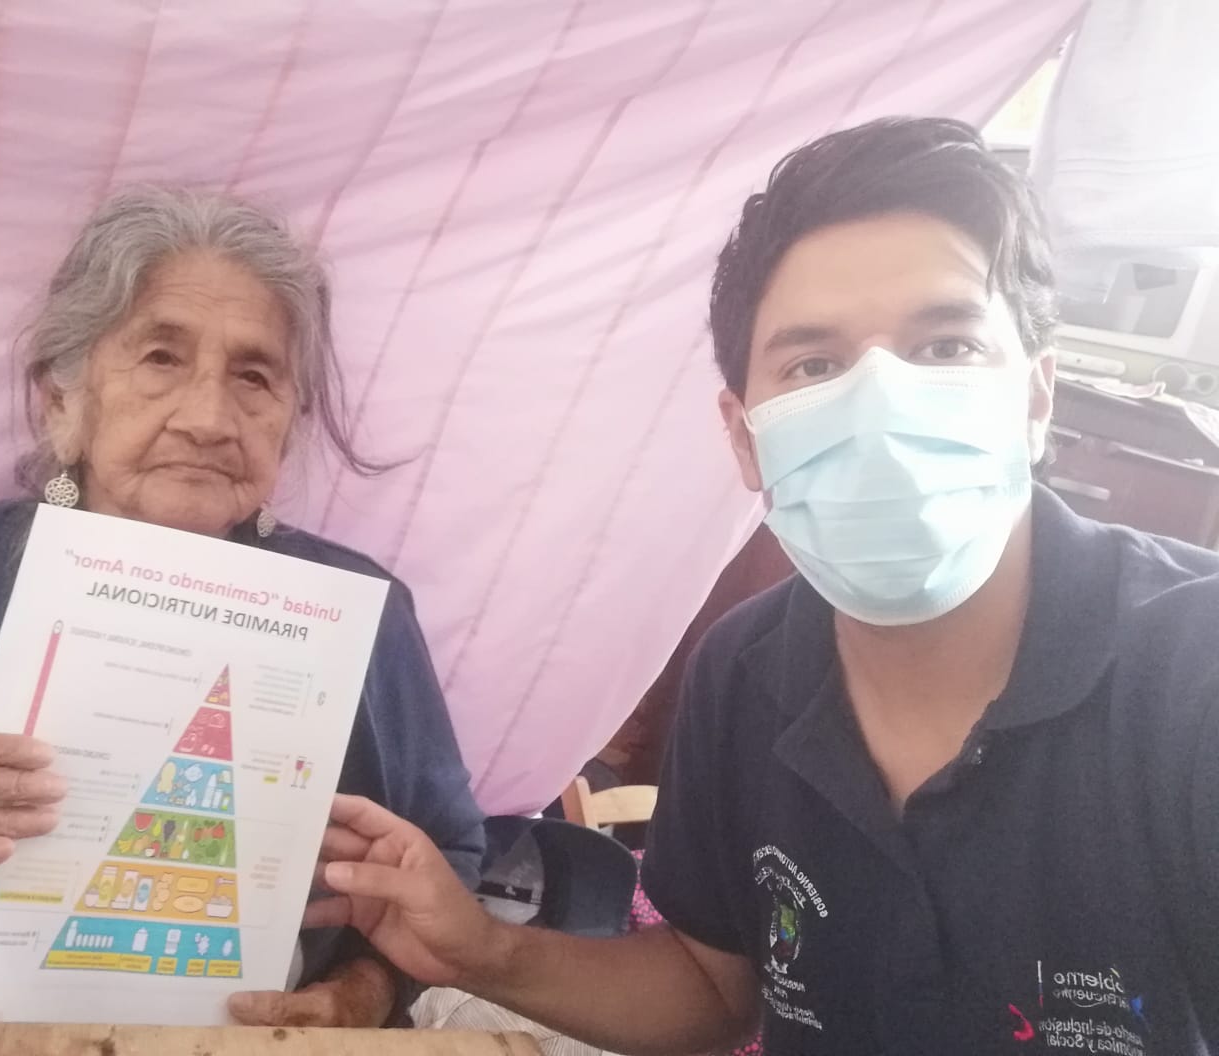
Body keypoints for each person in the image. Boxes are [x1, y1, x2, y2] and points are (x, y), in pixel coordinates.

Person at [305, 118, 1219, 1055]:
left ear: (1035, 397)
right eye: (815, 365)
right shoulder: (742, 674)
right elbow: (712, 991)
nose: (880, 404)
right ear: (745, 437)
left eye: (945, 346)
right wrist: (480, 948)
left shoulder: (1191, 677)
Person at [0, 186, 483, 1036]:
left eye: (255, 376)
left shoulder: (358, 615)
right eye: (161, 358)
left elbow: (449, 856)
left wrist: (365, 990)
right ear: (62, 401)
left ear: (289, 421)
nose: (208, 419)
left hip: (242, 1034)